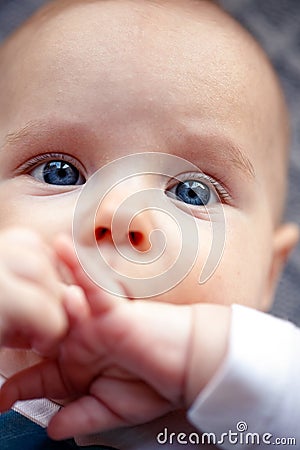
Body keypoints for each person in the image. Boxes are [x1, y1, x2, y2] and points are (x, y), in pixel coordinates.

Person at [0, 0, 299, 448]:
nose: (121, 214)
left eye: (191, 192)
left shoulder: (252, 422)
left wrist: (213, 360)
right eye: (59, 172)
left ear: (268, 274)